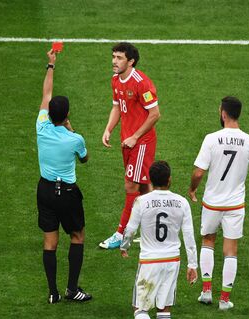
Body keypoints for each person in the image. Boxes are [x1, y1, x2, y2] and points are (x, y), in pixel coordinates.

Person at [188, 96, 249, 311]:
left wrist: (192, 188)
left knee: (207, 241)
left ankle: (206, 291)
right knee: (230, 250)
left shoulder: (211, 139)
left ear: (223, 113)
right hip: (235, 206)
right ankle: (224, 300)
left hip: (212, 203)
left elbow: (198, 171)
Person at [121, 161, 198, 319]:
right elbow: (189, 235)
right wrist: (193, 265)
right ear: (169, 179)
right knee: (164, 309)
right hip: (172, 261)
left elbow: (130, 229)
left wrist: (124, 246)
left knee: (140, 309)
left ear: (151, 181)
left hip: (149, 261)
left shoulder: (142, 201)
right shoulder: (181, 202)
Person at [36, 48, 92, 304]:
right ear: (67, 115)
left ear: (49, 113)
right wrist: (72, 130)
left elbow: (46, 93)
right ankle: (72, 289)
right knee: (77, 235)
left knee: (50, 241)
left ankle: (52, 292)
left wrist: (51, 65)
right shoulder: (75, 139)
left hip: (45, 191)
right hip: (67, 193)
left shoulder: (41, 126)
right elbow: (84, 158)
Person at [99, 42, 161, 249]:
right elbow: (117, 106)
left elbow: (155, 114)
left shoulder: (142, 83)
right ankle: (154, 231)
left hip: (141, 142)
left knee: (131, 185)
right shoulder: (116, 80)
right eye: (113, 57)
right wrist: (109, 129)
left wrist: (135, 137)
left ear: (131, 61)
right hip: (127, 141)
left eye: (119, 58)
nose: (114, 61)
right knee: (144, 187)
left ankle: (121, 233)